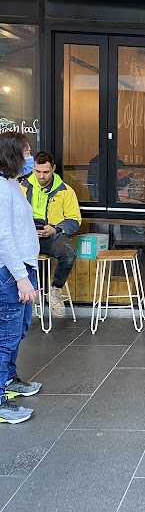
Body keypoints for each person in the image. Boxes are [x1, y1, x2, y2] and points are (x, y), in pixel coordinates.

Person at [0, 133, 41, 424]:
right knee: (6, 336)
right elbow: (4, 238)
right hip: (11, 273)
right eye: (26, 153)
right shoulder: (2, 189)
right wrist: (21, 278)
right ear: (12, 155)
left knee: (18, 330)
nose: (30, 158)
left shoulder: (13, 184)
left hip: (23, 269)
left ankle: (9, 380)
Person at [22, 150, 81, 317]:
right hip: (27, 235)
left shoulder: (66, 191)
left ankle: (55, 290)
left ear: (53, 168)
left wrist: (55, 229)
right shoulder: (22, 187)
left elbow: (74, 220)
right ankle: (31, 289)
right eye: (37, 171)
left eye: (46, 172)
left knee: (68, 253)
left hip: (53, 235)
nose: (41, 176)